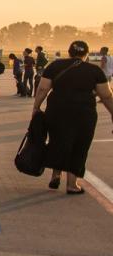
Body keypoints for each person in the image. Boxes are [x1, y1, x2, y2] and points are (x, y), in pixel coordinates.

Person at [33, 41, 113, 194]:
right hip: (84, 113)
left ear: (68, 52)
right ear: (86, 54)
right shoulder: (94, 70)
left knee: (58, 140)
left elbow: (43, 88)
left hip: (57, 110)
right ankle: (72, 184)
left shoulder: (55, 66)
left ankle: (56, 175)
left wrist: (36, 107)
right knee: (79, 146)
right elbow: (107, 96)